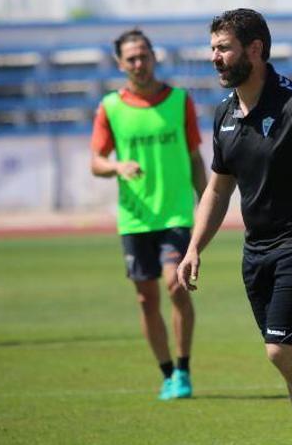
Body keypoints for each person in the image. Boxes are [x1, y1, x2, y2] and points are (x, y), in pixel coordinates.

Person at [177, 8, 292, 445]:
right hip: (256, 251)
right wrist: (193, 248)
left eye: (223, 48)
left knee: (281, 350)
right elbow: (219, 191)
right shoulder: (225, 113)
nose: (215, 58)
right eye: (213, 49)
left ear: (255, 50)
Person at [90, 29, 206, 400]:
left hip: (175, 214)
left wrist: (206, 201)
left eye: (144, 55)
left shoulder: (179, 101)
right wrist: (117, 167)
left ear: (154, 56)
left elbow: (194, 157)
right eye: (131, 58)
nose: (139, 63)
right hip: (135, 217)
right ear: (120, 64)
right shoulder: (110, 107)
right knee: (145, 299)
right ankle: (167, 373)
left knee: (175, 283)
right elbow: (95, 161)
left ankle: (184, 368)